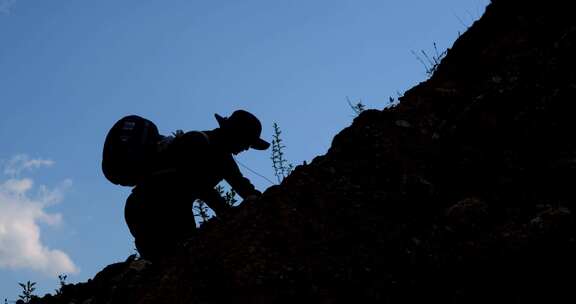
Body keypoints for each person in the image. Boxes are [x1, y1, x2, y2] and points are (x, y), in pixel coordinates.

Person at [124, 110, 270, 261]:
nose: (246, 148)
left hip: (158, 210)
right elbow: (197, 184)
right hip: (150, 211)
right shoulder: (197, 142)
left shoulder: (223, 157)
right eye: (246, 142)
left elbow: (242, 185)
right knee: (180, 258)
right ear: (235, 135)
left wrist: (260, 201)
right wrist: (227, 212)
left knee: (178, 259)